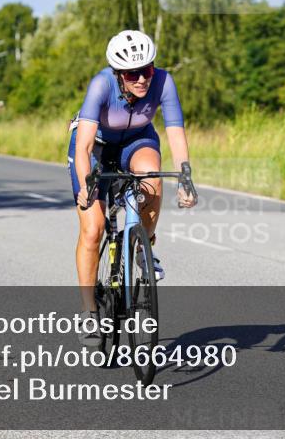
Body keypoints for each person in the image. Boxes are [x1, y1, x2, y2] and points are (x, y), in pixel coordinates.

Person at [67, 30, 197, 347]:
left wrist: (185, 177)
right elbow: (83, 147)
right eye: (133, 73)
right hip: (96, 147)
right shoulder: (101, 84)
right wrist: (87, 186)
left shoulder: (164, 82)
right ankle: (88, 312)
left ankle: (143, 247)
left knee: (151, 176)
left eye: (147, 70)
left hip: (137, 140)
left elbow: (175, 132)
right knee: (93, 228)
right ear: (118, 74)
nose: (142, 80)